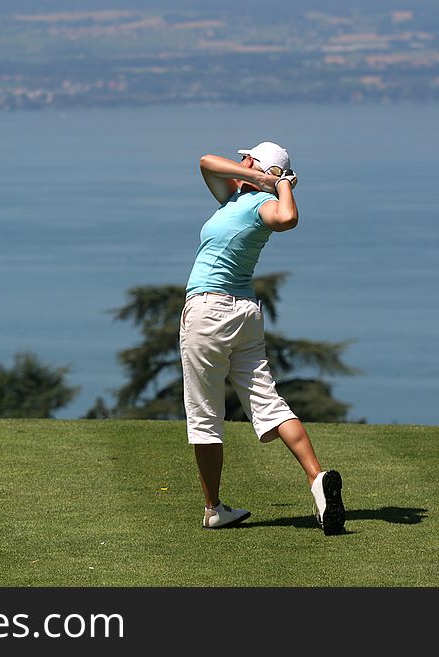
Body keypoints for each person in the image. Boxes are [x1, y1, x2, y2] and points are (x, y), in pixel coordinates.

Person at [179, 140, 346, 535]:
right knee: (269, 402)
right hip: (245, 314)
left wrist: (279, 183)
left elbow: (288, 218)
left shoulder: (259, 205)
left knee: (204, 415)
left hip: (208, 312)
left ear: (260, 165)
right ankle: (316, 479)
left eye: (247, 156)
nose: (239, 160)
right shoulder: (237, 195)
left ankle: (214, 508)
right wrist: (261, 177)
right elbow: (205, 162)